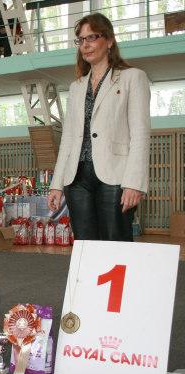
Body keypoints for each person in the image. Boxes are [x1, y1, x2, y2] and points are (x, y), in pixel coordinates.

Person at [47, 13, 150, 241]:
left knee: (116, 243)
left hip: (115, 176)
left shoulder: (133, 77)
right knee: (85, 247)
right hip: (77, 179)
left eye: (92, 37)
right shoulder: (76, 87)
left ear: (109, 40)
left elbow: (140, 134)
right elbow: (69, 139)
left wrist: (134, 183)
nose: (86, 45)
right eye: (81, 40)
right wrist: (56, 185)